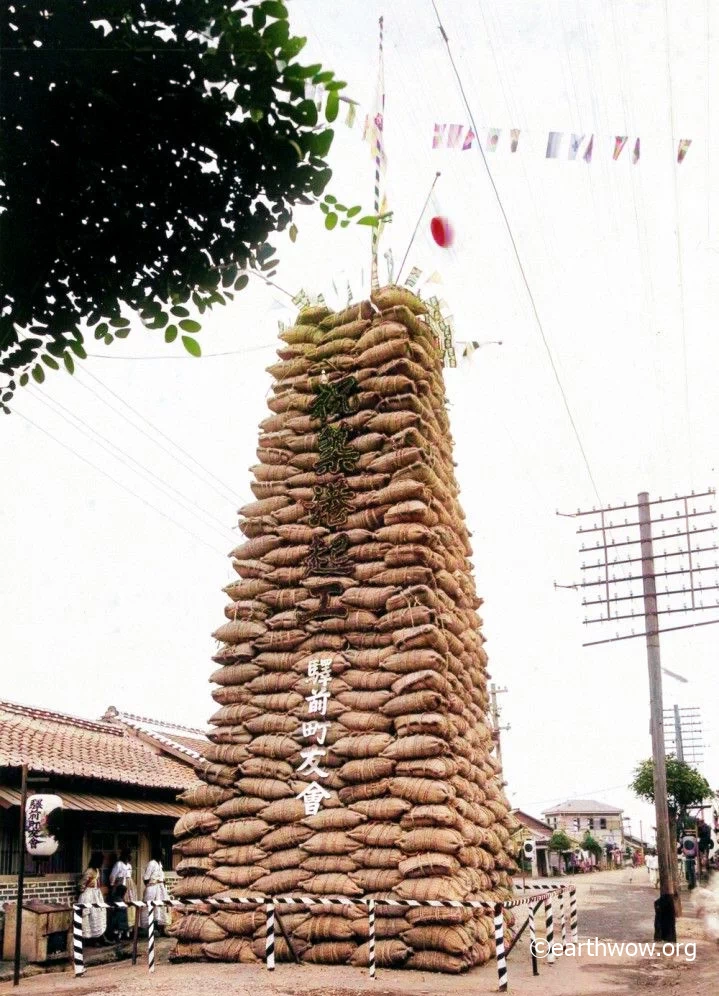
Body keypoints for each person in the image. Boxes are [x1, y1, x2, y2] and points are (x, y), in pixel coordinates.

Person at [77, 852, 110, 946]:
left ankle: (100, 937)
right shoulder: (89, 871)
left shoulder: (97, 870)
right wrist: (83, 890)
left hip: (96, 894)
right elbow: (81, 884)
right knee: (90, 916)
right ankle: (91, 940)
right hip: (88, 894)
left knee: (98, 915)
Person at [139, 846, 171, 934]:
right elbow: (146, 878)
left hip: (160, 889)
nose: (164, 855)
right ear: (158, 854)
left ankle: (161, 929)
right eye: (162, 853)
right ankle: (149, 930)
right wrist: (152, 886)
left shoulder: (159, 864)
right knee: (150, 908)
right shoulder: (152, 863)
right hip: (152, 888)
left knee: (161, 909)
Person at [109, 848, 136, 940]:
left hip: (129, 885)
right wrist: (114, 886)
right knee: (121, 907)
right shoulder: (119, 864)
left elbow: (129, 876)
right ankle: (119, 931)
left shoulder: (129, 865)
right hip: (121, 886)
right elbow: (113, 876)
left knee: (130, 906)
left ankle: (128, 930)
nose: (130, 856)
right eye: (129, 854)